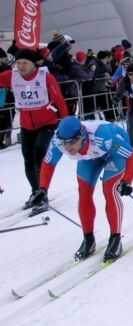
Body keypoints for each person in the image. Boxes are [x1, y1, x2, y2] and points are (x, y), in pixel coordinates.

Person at [39, 116, 133, 261]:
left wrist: (127, 181)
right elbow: (48, 163)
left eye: (72, 141)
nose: (68, 147)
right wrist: (42, 189)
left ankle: (115, 239)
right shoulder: (57, 142)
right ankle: (88, 239)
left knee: (110, 190)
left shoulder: (102, 137)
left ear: (83, 136)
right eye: (64, 143)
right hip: (89, 156)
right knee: (84, 193)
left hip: (113, 153)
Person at [0, 49, 69, 211]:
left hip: (47, 122)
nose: (21, 66)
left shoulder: (45, 76)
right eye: (18, 63)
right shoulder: (11, 76)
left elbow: (58, 98)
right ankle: (35, 191)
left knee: (39, 154)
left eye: (25, 63)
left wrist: (66, 121)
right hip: (26, 125)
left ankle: (43, 192)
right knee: (28, 158)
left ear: (33, 64)